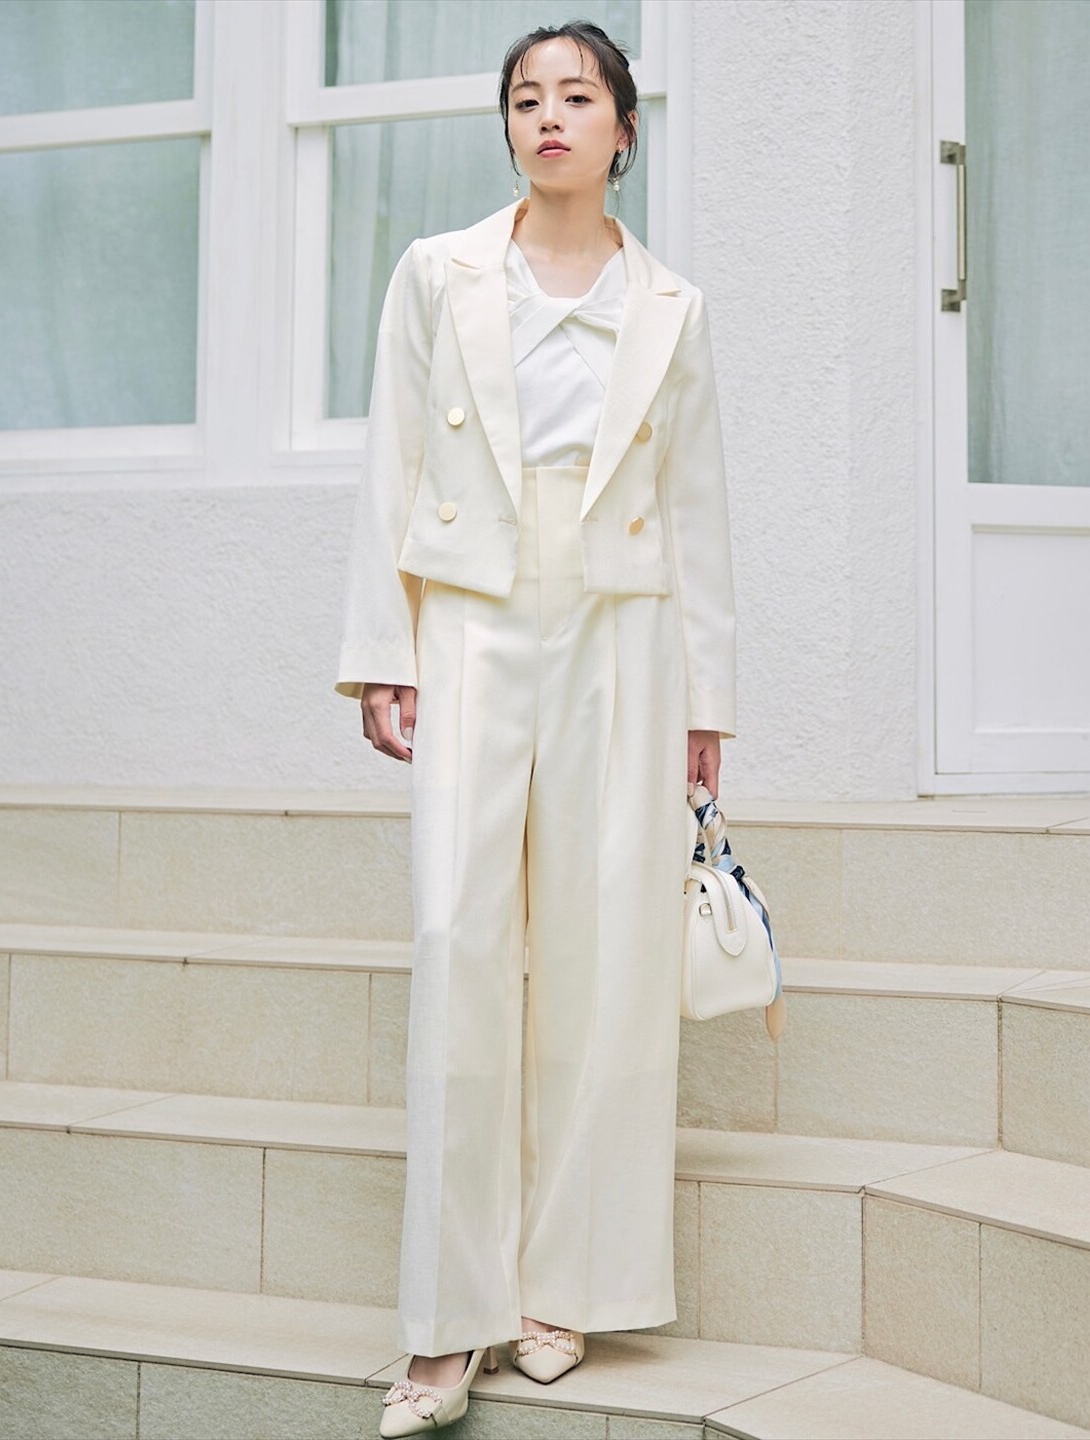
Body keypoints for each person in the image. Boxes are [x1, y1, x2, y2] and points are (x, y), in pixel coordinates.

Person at [333, 20, 737, 1437]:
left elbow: (697, 509)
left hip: (622, 626)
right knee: (458, 937)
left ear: (623, 127)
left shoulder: (671, 304)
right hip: (471, 609)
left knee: (599, 953)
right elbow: (390, 457)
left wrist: (707, 704)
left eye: (577, 96)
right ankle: (447, 1324)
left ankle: (564, 1284)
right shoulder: (440, 273)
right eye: (525, 98)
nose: (548, 116)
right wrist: (382, 652)